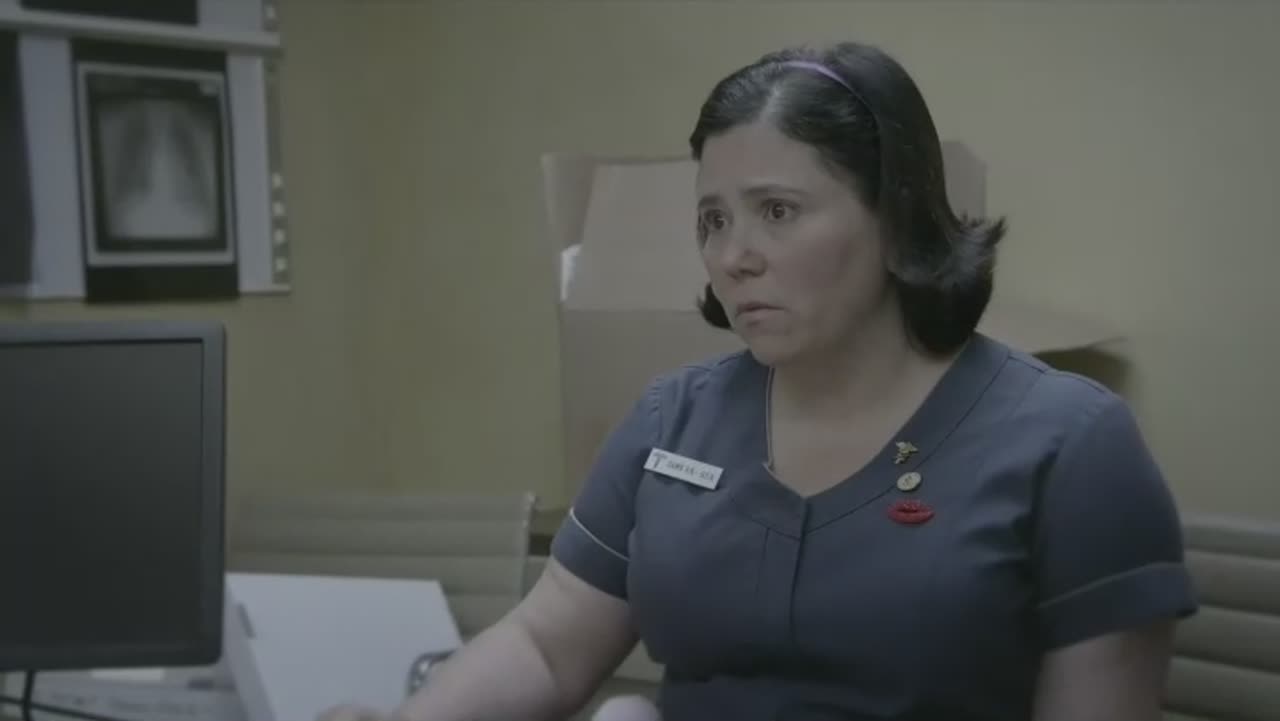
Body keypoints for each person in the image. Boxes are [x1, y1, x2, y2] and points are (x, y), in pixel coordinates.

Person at [320, 40, 1197, 721]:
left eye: (777, 211)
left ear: (897, 221)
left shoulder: (1069, 445)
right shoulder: (674, 419)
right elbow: (548, 647)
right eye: (713, 219)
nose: (733, 255)